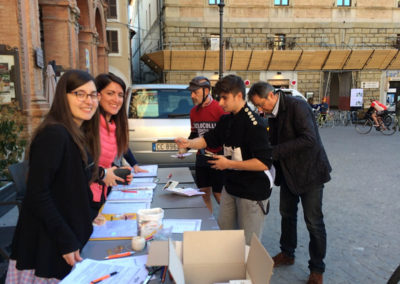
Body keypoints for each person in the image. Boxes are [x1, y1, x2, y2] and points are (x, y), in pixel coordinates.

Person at [6, 70, 100, 282]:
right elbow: (37, 195)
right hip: (49, 244)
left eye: (93, 95)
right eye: (80, 94)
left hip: (67, 235)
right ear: (62, 97)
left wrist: (92, 213)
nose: (89, 101)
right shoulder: (54, 134)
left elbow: (72, 188)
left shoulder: (76, 134)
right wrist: (66, 240)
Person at [247, 82, 331, 284]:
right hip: (288, 174)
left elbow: (309, 139)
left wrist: (274, 152)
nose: (260, 109)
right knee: (287, 215)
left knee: (314, 223)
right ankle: (287, 253)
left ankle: (317, 269)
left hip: (310, 173)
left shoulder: (297, 106)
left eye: (261, 105)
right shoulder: (271, 113)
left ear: (270, 96)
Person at [175, 75, 273, 245]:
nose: (220, 103)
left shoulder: (255, 124)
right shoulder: (226, 120)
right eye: (219, 97)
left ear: (239, 96)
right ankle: (228, 268)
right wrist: (189, 143)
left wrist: (228, 164)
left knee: (249, 244)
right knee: (225, 237)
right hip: (231, 186)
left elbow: (264, 163)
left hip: (253, 191)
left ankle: (247, 271)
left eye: (224, 98)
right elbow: (208, 139)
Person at [90, 73, 147, 212]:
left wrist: (117, 170)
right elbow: (80, 167)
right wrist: (104, 173)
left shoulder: (115, 125)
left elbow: (108, 160)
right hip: (84, 199)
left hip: (102, 194)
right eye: (110, 93)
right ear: (98, 95)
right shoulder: (89, 126)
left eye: (120, 95)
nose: (116, 99)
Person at [179, 76, 227, 212]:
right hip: (201, 157)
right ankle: (208, 227)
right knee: (203, 192)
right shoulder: (193, 111)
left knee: (219, 194)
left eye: (195, 92)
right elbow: (194, 134)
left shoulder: (220, 109)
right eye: (191, 92)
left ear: (207, 91)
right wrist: (184, 146)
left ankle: (228, 226)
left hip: (218, 157)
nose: (192, 95)